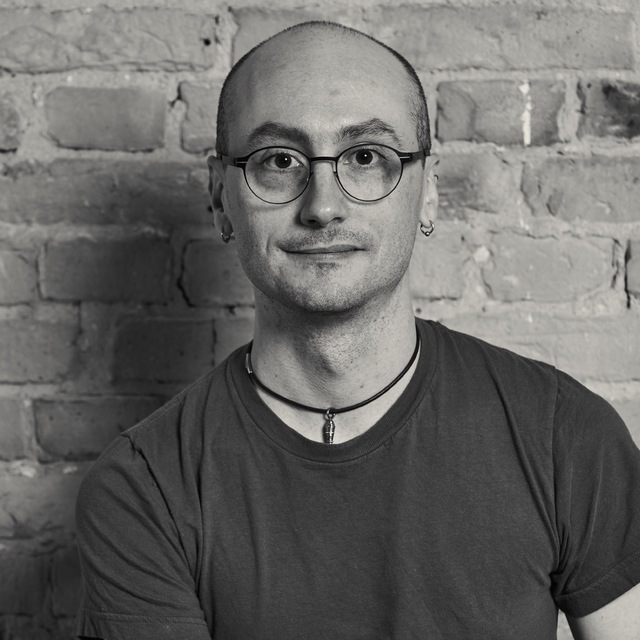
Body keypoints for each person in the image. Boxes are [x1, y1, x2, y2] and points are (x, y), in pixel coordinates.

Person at [75, 21, 640, 640]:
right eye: (280, 161)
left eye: (366, 157)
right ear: (220, 197)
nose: (323, 206)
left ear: (428, 192)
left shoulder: (564, 435)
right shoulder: (144, 486)